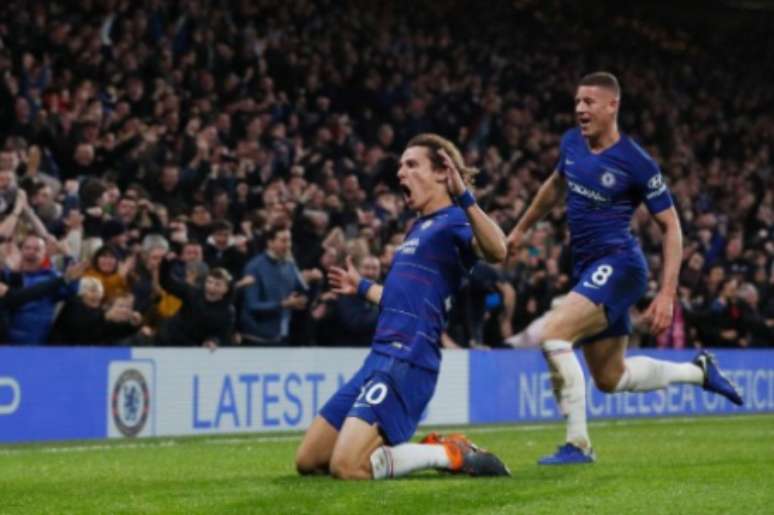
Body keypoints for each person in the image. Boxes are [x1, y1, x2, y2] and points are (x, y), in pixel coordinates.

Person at [506, 72, 743, 465]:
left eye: (589, 102)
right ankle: (699, 372)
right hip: (588, 269)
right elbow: (553, 185)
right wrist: (519, 231)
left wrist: (668, 293)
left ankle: (578, 444)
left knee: (554, 333)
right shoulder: (571, 143)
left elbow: (671, 227)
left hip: (619, 264)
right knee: (610, 378)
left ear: (612, 105)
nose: (581, 109)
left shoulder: (637, 162)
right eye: (578, 101)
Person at [295, 133, 510, 480]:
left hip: (408, 359)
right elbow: (399, 301)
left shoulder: (456, 219)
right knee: (309, 460)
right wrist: (361, 287)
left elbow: (499, 250)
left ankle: (448, 453)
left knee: (347, 467)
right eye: (400, 166)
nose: (400, 173)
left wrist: (465, 196)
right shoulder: (417, 228)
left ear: (442, 172)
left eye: (411, 165)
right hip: (377, 358)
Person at [239, 226, 309, 345]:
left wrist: (313, 285)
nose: (288, 245)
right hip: (257, 338)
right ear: (270, 243)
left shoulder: (290, 264)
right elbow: (253, 305)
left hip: (283, 335)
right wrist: (283, 304)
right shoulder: (254, 267)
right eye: (283, 240)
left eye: (289, 240)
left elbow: (301, 292)